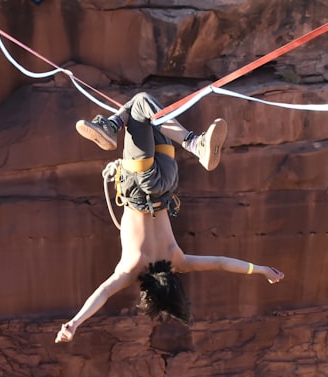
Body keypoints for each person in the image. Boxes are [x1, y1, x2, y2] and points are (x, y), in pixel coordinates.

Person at [55, 92, 284, 344]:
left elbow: (221, 262)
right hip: (141, 181)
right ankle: (194, 144)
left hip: (168, 180)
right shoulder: (131, 270)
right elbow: (103, 293)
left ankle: (111, 125)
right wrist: (74, 323)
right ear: (148, 293)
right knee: (142, 102)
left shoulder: (179, 261)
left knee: (145, 111)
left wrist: (261, 270)